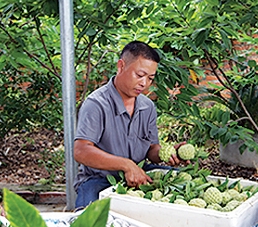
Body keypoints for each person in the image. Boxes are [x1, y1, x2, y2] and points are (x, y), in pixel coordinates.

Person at [73, 41, 180, 209]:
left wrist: (169, 153)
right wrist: (126, 165)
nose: (144, 83)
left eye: (150, 78)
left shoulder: (147, 106)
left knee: (183, 183)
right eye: (140, 75)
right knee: (86, 223)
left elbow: (152, 149)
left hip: (140, 174)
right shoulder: (97, 103)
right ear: (121, 66)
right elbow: (81, 151)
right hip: (99, 179)